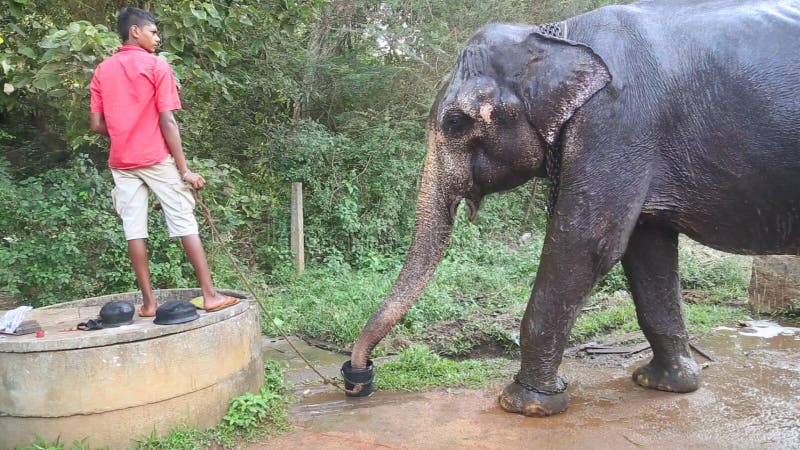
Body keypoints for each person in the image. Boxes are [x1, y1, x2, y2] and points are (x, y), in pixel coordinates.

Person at [89, 7, 238, 317]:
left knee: (134, 231)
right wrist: (185, 170)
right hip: (156, 157)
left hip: (121, 161)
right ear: (135, 32)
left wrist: (123, 133)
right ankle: (209, 295)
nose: (157, 38)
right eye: (153, 32)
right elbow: (168, 121)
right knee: (184, 221)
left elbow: (96, 124)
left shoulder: (103, 69)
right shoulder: (157, 66)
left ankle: (148, 303)